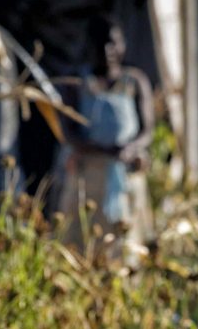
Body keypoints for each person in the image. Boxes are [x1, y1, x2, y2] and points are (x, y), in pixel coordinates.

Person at [52, 14, 154, 266]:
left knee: (127, 250)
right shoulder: (77, 84)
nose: (107, 51)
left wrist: (130, 149)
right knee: (82, 248)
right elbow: (69, 133)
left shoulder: (134, 82)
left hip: (126, 179)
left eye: (113, 43)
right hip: (88, 179)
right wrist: (105, 151)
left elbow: (147, 129)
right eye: (100, 44)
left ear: (123, 45)